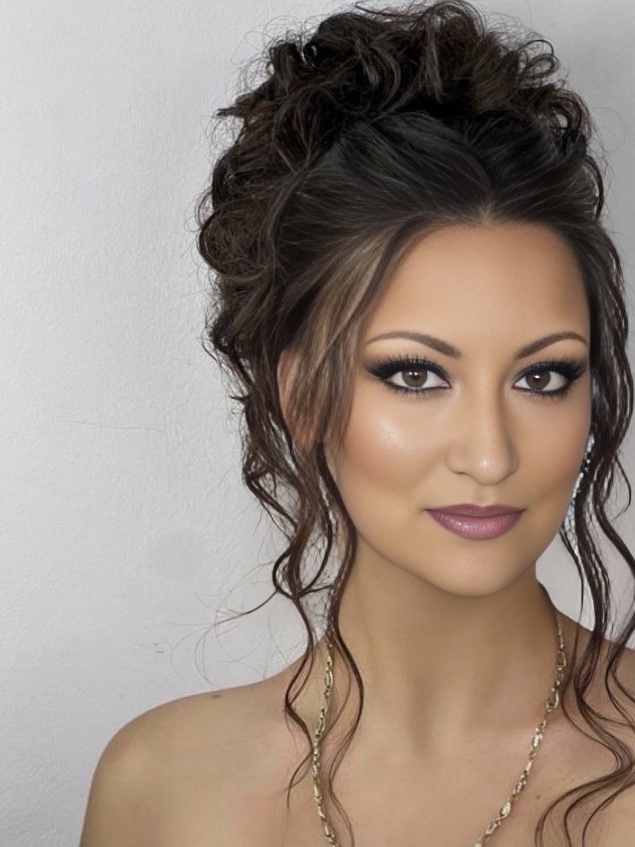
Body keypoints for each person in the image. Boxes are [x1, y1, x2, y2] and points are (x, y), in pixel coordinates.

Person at [78, 1, 635, 845]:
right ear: (300, 393)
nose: (489, 455)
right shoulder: (164, 790)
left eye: (541, 376)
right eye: (414, 374)